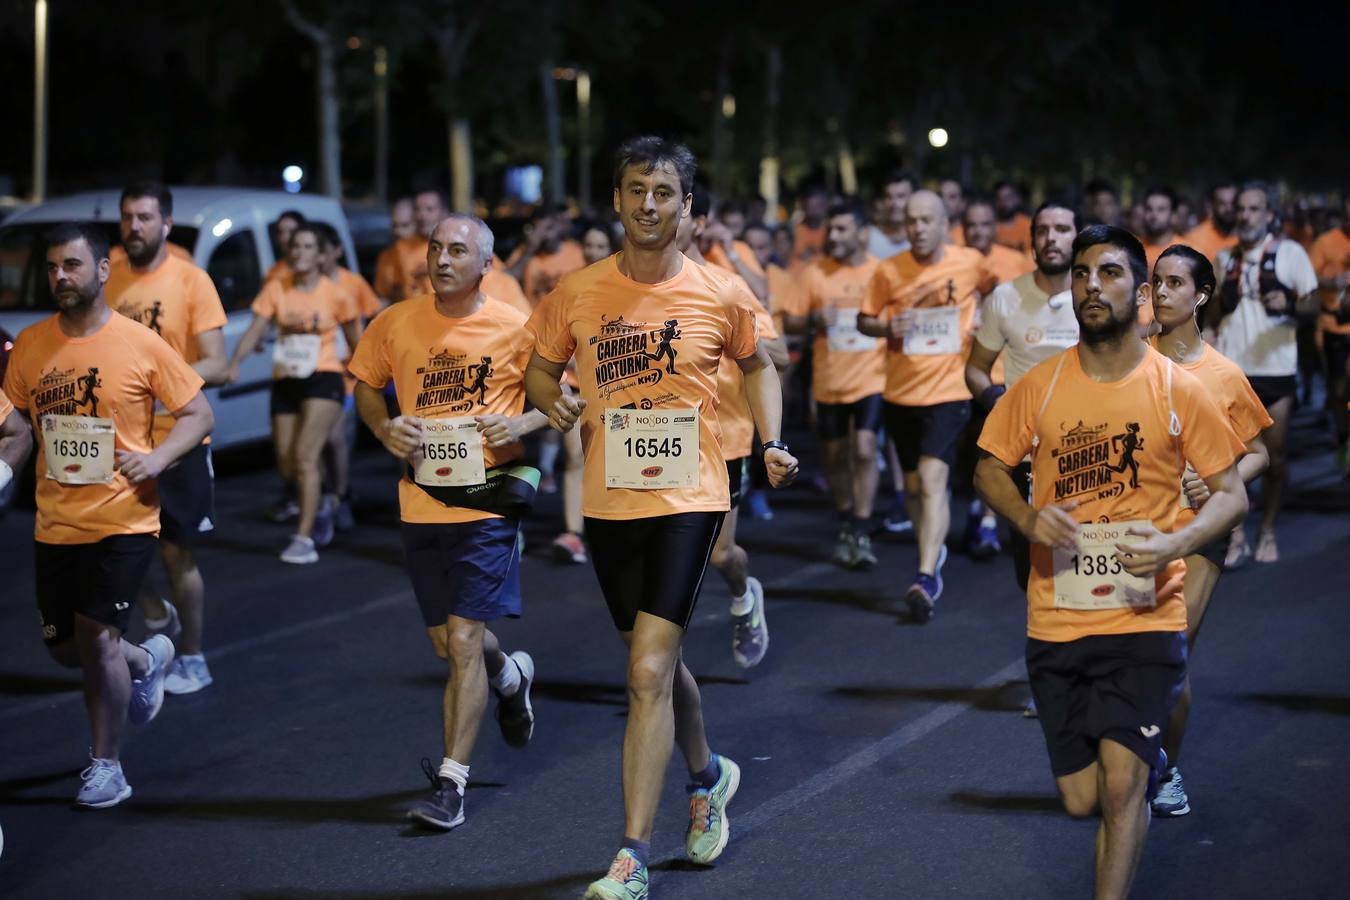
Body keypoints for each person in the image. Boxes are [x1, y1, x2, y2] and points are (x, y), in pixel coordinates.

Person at [525, 136, 797, 900]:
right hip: (610, 501)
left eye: (665, 192)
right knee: (659, 666)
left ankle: (630, 856)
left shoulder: (721, 290)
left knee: (644, 672)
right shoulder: (575, 293)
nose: (649, 204)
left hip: (691, 496)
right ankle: (709, 776)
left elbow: (758, 364)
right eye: (636, 189)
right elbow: (540, 369)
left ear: (686, 207)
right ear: (617, 200)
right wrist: (554, 401)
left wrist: (772, 442)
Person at [975, 225, 1248, 900]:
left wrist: (1174, 544)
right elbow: (989, 468)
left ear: (1144, 292)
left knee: (1124, 788)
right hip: (1059, 617)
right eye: (1081, 274)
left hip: (1146, 615)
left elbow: (1231, 493)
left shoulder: (1179, 388)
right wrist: (1028, 516)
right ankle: (1141, 768)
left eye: (1111, 274)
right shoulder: (1037, 386)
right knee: (1081, 798)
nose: (1091, 286)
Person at [3, 222, 214, 807]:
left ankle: (107, 766)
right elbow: (16, 426)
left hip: (124, 519)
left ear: (102, 270)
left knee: (95, 642)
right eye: (51, 267)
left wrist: (159, 458)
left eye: (71, 265)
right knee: (66, 649)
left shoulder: (140, 343)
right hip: (55, 521)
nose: (59, 277)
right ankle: (146, 659)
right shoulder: (31, 346)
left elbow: (197, 414)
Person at [350, 214, 543, 831]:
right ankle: (510, 677)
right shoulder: (394, 322)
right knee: (449, 643)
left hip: (489, 501)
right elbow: (365, 383)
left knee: (462, 640)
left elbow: (570, 394)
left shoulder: (517, 329)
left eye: (458, 250)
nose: (442, 259)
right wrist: (384, 427)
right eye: (436, 248)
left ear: (486, 264)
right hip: (421, 501)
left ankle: (452, 784)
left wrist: (521, 425)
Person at [1148, 245, 1272, 817]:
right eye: (1156, 282)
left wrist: (1215, 477)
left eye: (1176, 283)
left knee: (1169, 653)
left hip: (1202, 530)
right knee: (1129, 652)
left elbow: (1259, 453)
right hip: (1135, 529)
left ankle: (1165, 769)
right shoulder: (1126, 362)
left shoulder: (1223, 374)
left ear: (1200, 295)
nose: (1163, 292)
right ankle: (1134, 753)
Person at [106, 182, 228, 695]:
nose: (136, 226)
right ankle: (157, 613)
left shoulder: (190, 280)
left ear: (167, 224)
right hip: (114, 443)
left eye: (146, 217)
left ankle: (195, 657)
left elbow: (218, 364)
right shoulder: (105, 275)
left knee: (177, 553)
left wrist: (156, 388)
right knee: (110, 546)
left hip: (175, 439)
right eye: (129, 216)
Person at [859, 190, 989, 622]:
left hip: (950, 391)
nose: (917, 228)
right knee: (914, 487)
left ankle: (926, 574)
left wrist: (984, 321)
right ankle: (931, 551)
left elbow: (997, 291)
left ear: (944, 222)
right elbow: (864, 319)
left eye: (926, 220)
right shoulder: (888, 270)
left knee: (934, 479)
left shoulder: (970, 261)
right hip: (900, 391)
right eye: (911, 221)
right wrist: (884, 325)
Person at [681, 186, 788, 668]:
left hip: (724, 437)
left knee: (721, 556)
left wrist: (728, 342)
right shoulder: (632, 289)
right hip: (660, 439)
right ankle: (657, 667)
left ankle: (744, 598)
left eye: (671, 209)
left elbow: (778, 355)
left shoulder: (724, 285)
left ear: (697, 222)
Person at [225, 224, 362, 564]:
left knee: (305, 455)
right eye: (295, 247)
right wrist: (234, 363)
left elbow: (358, 339)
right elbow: (256, 328)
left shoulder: (336, 294)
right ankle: (322, 502)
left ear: (320, 255)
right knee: (287, 462)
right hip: (286, 379)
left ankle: (304, 537)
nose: (300, 252)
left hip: (325, 377)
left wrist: (363, 373)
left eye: (307, 247)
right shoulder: (277, 289)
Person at [966, 200, 1080, 582]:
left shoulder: (1094, 297)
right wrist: (997, 402)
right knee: (1030, 572)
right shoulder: (1005, 297)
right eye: (1043, 231)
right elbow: (976, 370)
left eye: (1062, 229)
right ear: (1031, 241)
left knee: (1085, 561)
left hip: (1087, 446)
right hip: (1026, 455)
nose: (1052, 238)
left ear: (1078, 237)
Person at [1208, 181, 1319, 566]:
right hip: (1233, 372)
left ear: (1269, 215)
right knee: (1227, 461)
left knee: (1274, 458)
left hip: (1276, 370)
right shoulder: (1225, 258)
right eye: (1241, 209)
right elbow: (1213, 313)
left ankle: (1268, 528)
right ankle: (1237, 531)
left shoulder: (1290, 254)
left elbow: (1312, 308)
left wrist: (1288, 300)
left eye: (1254, 209)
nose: (1245, 216)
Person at [785, 199, 883, 568]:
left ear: (862, 233)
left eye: (842, 229)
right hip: (829, 380)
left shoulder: (881, 272)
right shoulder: (815, 273)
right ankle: (846, 519)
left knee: (864, 447)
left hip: (873, 377)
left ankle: (861, 525)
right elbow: (790, 322)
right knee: (835, 455)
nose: (833, 236)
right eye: (831, 229)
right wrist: (814, 319)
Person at [551, 225, 616, 565]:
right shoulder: (571, 288)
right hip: (575, 384)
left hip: (614, 387)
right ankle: (573, 533)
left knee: (612, 459)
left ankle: (611, 527)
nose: (593, 251)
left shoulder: (623, 287)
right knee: (574, 453)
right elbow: (552, 343)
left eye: (600, 244)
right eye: (588, 244)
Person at [315, 222, 383, 531]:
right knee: (318, 442)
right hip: (315, 376)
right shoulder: (307, 286)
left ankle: (339, 496)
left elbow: (375, 318)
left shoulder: (353, 284)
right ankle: (325, 496)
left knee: (335, 438)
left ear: (336, 251)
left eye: (324, 252)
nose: (319, 259)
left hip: (347, 377)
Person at [1310, 195, 1350, 469]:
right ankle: (1343, 433)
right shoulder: (1326, 242)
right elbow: (1309, 278)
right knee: (1339, 391)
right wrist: (1333, 281)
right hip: (1334, 326)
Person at [508, 203, 586, 306]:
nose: (546, 235)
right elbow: (506, 281)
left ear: (559, 226)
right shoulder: (524, 252)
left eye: (549, 228)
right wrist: (530, 249)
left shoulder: (576, 252)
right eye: (539, 230)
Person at [964, 197, 1036, 286]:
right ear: (963, 228)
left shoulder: (1017, 261)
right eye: (972, 225)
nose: (978, 231)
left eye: (985, 224)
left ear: (996, 226)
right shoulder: (953, 261)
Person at [1182, 182, 1239, 264]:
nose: (1229, 209)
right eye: (1222, 203)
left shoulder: (1249, 237)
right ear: (1212, 206)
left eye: (1233, 203)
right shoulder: (1194, 239)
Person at [373, 197, 416, 303]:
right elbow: (383, 296)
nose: (398, 231)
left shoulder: (430, 253)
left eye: (405, 225)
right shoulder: (386, 257)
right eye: (394, 226)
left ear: (417, 223)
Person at [867, 171, 917, 260]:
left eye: (901, 196)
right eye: (888, 197)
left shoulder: (923, 237)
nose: (894, 203)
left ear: (915, 198)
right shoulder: (868, 238)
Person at [1140, 186, 1180, 270]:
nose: (1154, 215)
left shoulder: (1189, 252)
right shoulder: (1133, 250)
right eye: (1149, 209)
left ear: (1173, 215)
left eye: (1161, 209)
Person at [265, 210, 306, 284]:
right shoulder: (273, 273)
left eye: (291, 231)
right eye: (281, 232)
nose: (285, 238)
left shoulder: (319, 269)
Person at [792, 185, 829, 266]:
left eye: (818, 206)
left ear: (826, 206)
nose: (814, 211)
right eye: (810, 206)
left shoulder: (833, 232)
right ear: (804, 207)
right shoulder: (793, 231)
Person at [993, 181, 1032, 253]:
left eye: (1008, 198)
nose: (1003, 202)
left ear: (1017, 199)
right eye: (999, 198)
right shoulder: (989, 226)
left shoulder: (1028, 225)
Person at [940, 178, 967, 246]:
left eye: (952, 197)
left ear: (963, 203)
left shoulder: (969, 233)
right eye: (941, 196)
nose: (944, 201)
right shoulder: (929, 231)